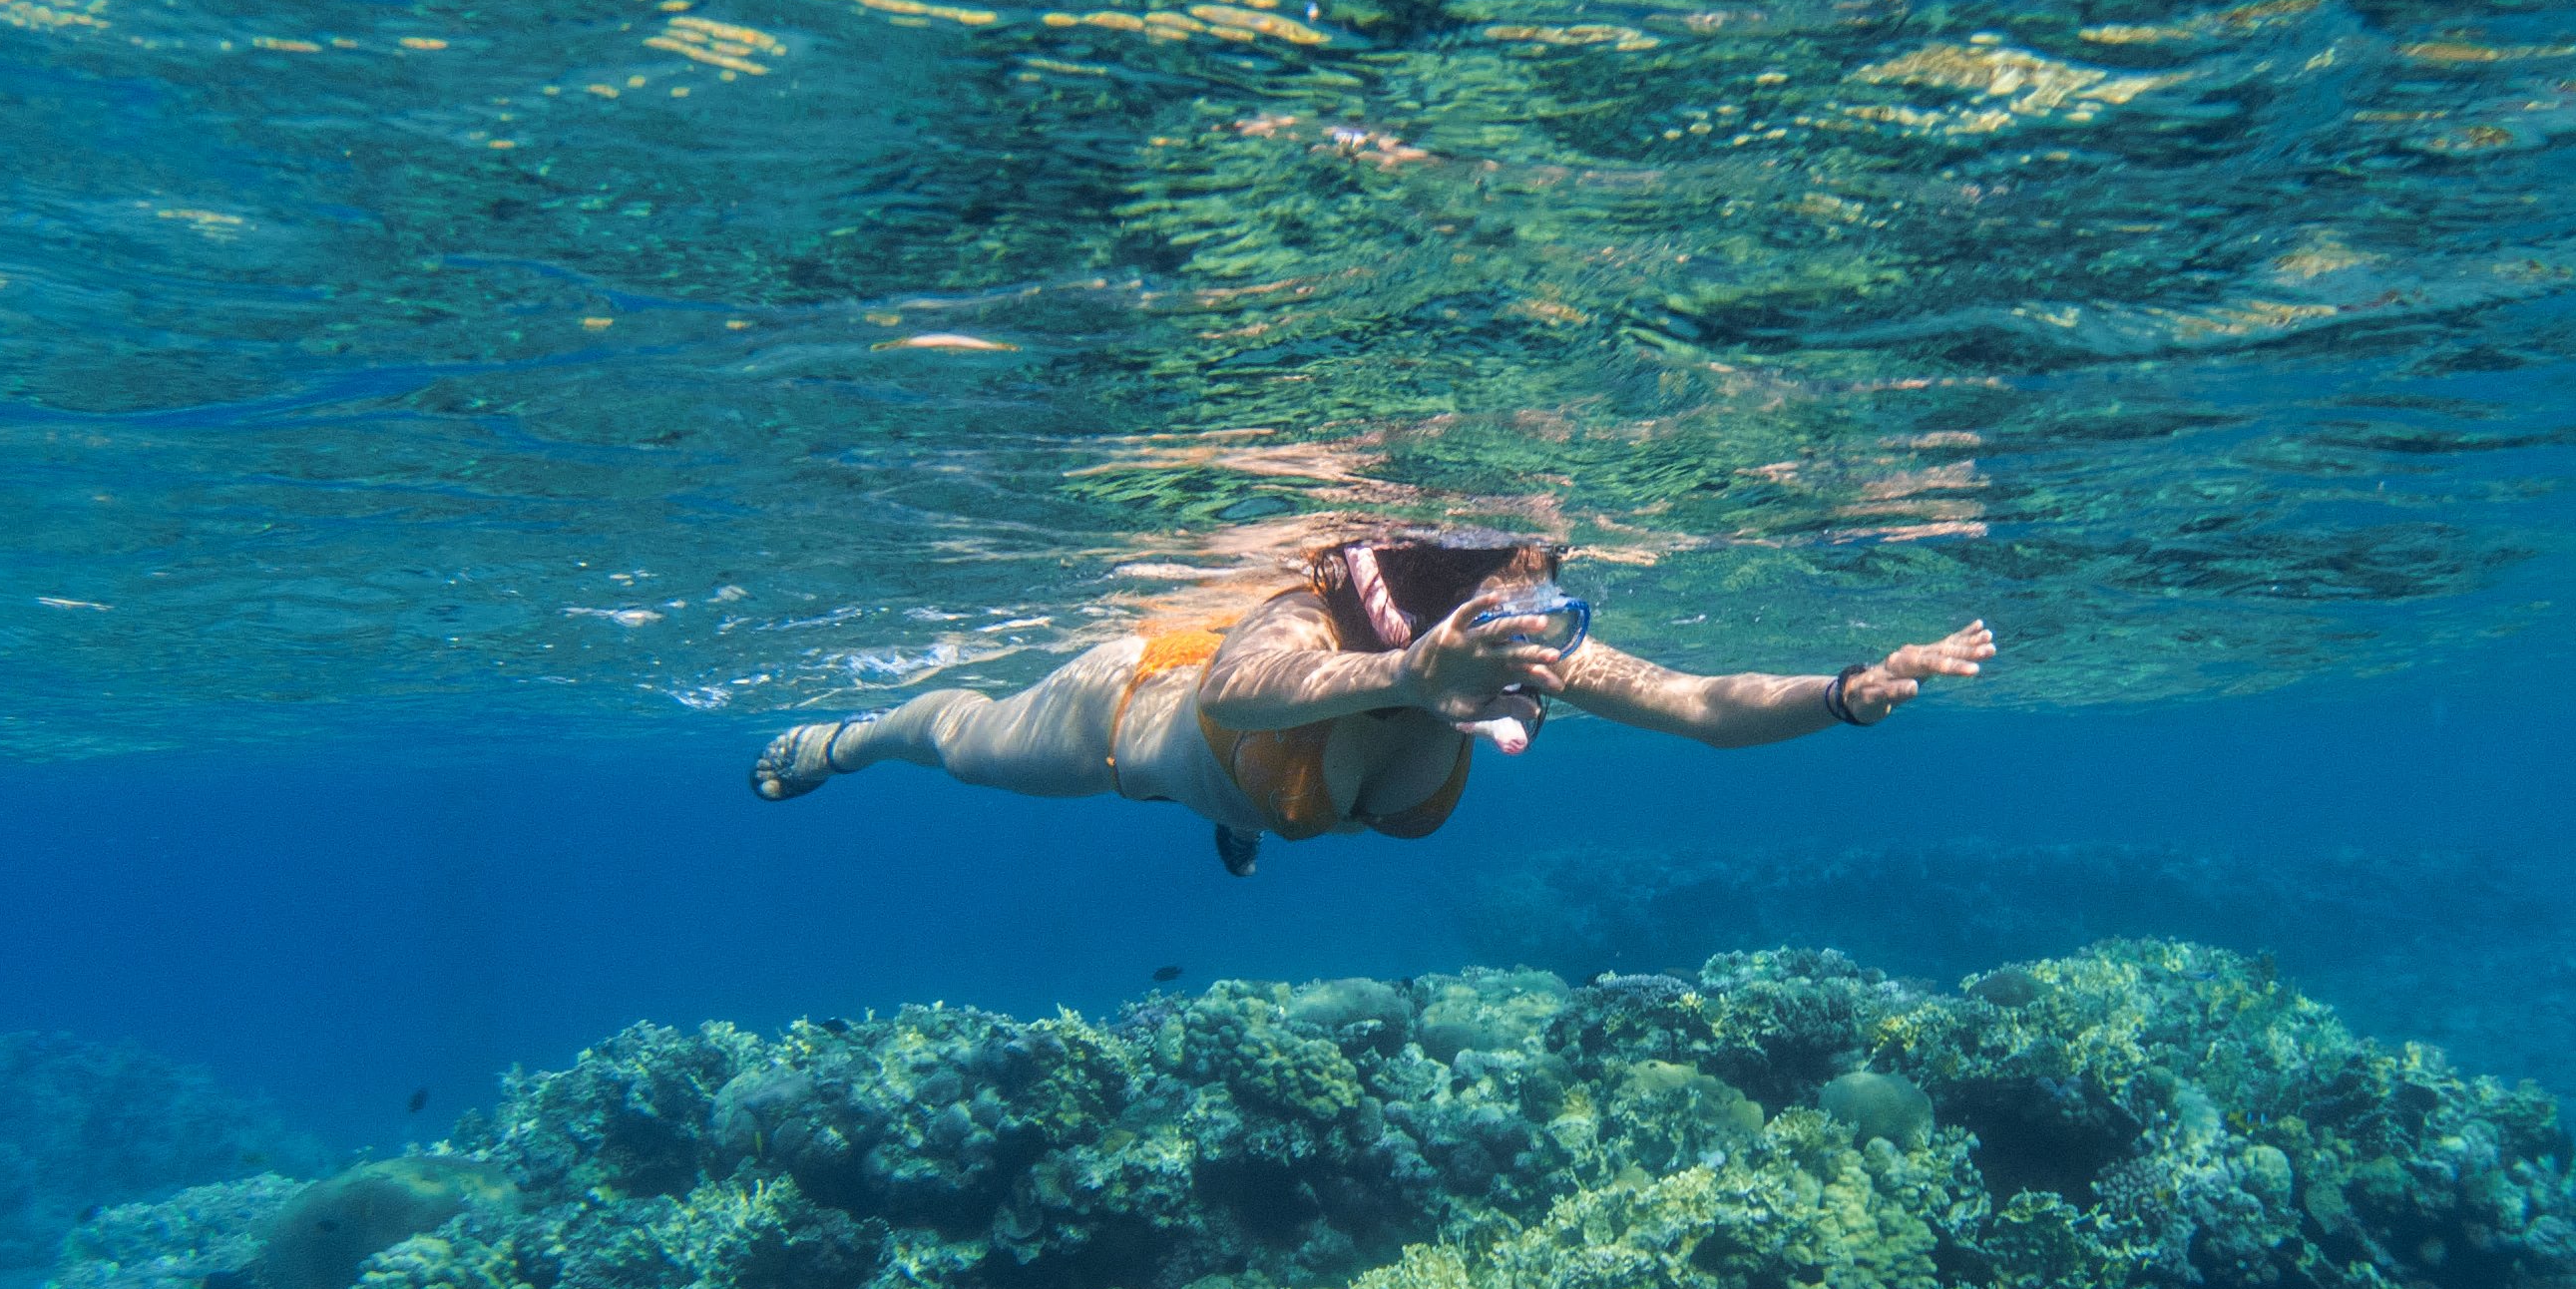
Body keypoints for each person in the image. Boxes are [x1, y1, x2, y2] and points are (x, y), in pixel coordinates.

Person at [750, 535, 1993, 872]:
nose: (1532, 641)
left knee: (1266, 802)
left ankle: (1235, 821)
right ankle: (846, 740)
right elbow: (1246, 684)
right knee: (958, 744)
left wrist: (1841, 690)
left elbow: (1707, 705)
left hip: (1275, 772)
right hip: (1130, 715)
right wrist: (1408, 676)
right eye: (1503, 616)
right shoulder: (1308, 616)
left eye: (1548, 608)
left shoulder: (1527, 659)